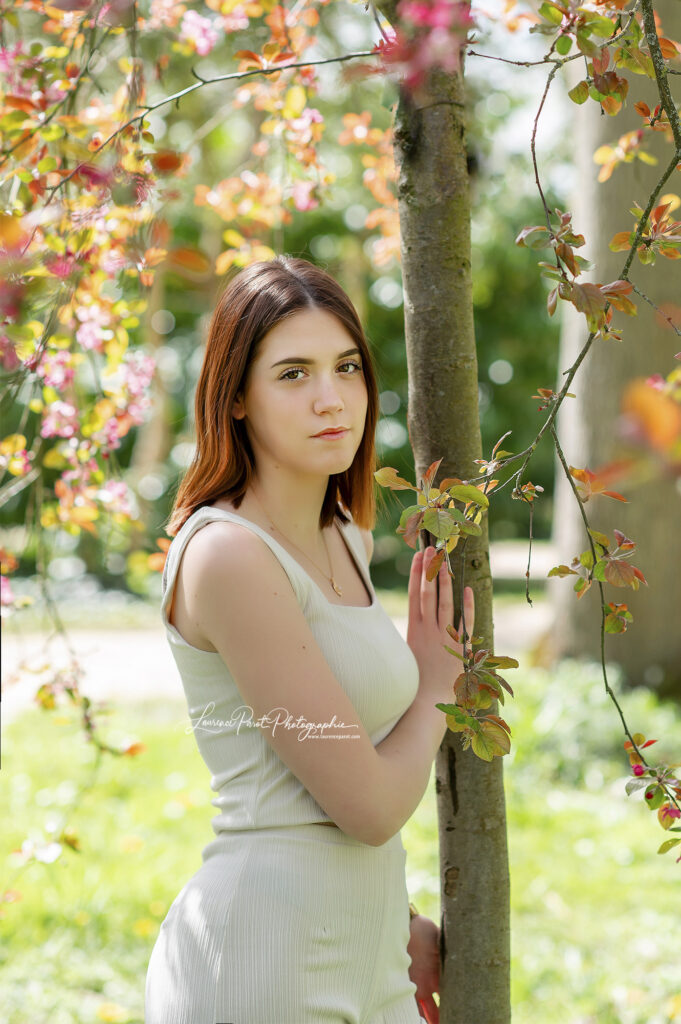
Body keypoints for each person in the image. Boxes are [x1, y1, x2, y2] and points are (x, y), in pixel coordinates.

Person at [144, 255, 475, 1024]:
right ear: (234, 400)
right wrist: (435, 689)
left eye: (347, 367)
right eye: (292, 374)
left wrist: (392, 924)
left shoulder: (344, 536)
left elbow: (335, 770)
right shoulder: (227, 555)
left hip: (367, 958)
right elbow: (362, 804)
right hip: (261, 963)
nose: (332, 399)